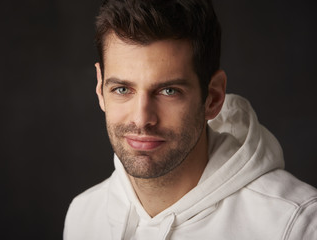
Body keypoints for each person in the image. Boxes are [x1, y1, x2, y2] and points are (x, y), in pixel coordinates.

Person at [64, 0, 317, 239]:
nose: (142, 119)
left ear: (213, 97)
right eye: (122, 89)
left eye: (168, 91)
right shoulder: (84, 215)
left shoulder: (297, 225)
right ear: (100, 89)